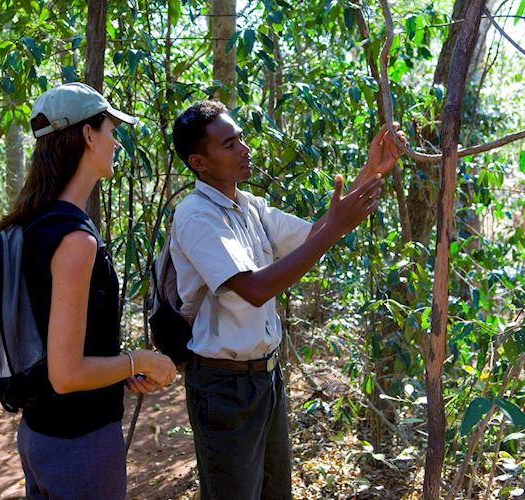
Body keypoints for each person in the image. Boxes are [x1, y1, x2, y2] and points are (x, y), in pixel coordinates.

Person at [170, 100, 406, 499]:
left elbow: (314, 232)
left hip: (265, 379)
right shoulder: (195, 215)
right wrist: (336, 228)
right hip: (223, 387)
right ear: (199, 162)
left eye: (241, 138)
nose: (244, 148)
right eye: (229, 144)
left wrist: (372, 171)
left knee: (274, 490)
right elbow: (254, 288)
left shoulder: (248, 207)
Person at [0, 82, 176, 499]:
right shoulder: (74, 240)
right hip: (80, 445)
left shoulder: (34, 225)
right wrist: (137, 360)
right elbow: (67, 372)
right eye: (111, 129)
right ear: (88, 135)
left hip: (41, 436)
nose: (115, 141)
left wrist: (121, 370)